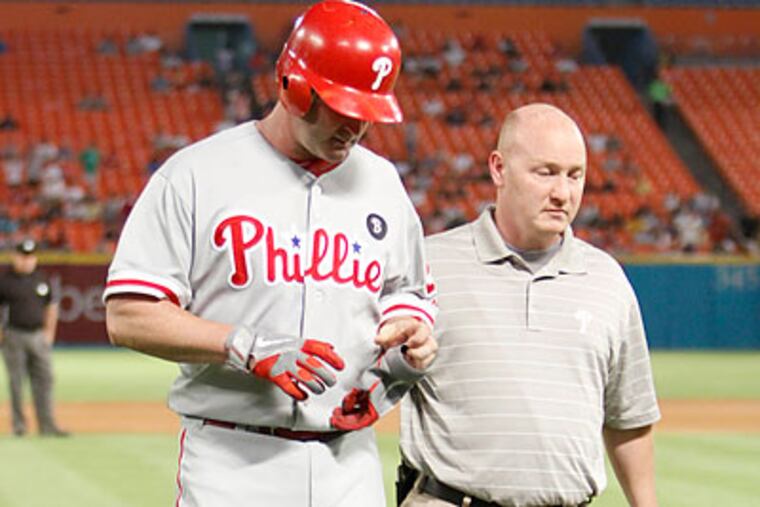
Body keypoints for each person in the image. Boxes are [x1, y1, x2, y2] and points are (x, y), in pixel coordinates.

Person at [103, 2, 437, 506]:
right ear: (293, 87)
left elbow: (408, 294)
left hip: (349, 461)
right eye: (342, 109)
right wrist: (243, 345)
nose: (356, 128)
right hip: (233, 457)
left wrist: (411, 331)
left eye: (367, 114)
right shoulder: (196, 175)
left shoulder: (384, 184)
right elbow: (128, 315)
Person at [399, 104, 660, 507]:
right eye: (546, 172)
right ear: (499, 169)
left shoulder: (607, 280)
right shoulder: (428, 265)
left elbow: (629, 417)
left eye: (575, 175)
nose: (562, 192)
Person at [0, 239, 68, 437]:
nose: (27, 261)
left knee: (45, 379)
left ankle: (47, 425)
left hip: (38, 335)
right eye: (23, 256)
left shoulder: (42, 279)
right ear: (15, 257)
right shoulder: (5, 281)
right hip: (14, 335)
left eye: (30, 257)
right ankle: (19, 425)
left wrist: (49, 333)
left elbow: (52, 307)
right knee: (16, 382)